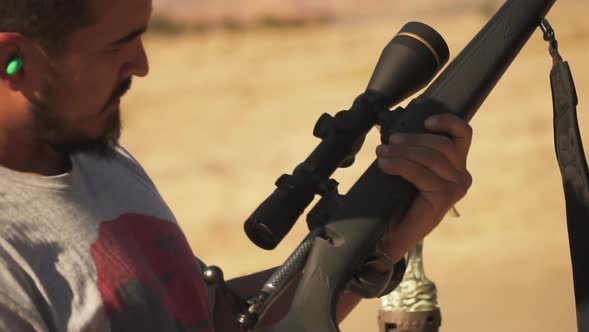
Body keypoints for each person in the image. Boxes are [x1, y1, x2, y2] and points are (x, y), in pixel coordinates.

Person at [0, 0, 473, 331]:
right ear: (12, 59)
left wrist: (390, 238)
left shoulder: (97, 157)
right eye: (118, 45)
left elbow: (217, 319)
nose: (141, 65)